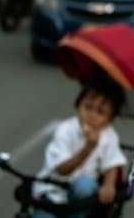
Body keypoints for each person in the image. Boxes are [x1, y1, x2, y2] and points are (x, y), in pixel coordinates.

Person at [32, 81, 127, 218]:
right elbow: (62, 169)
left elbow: (112, 163)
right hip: (50, 191)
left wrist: (108, 184)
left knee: (85, 185)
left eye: (101, 112)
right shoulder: (65, 130)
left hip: (81, 195)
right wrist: (88, 148)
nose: (92, 115)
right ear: (77, 107)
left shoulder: (109, 135)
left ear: (110, 119)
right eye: (88, 108)